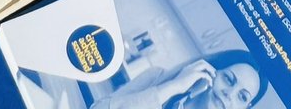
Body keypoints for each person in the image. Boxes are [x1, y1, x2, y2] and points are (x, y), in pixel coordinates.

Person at [90, 49, 267, 109]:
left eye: (242, 97)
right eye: (228, 79)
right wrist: (173, 87)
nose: (229, 94)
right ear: (210, 70)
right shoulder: (157, 77)